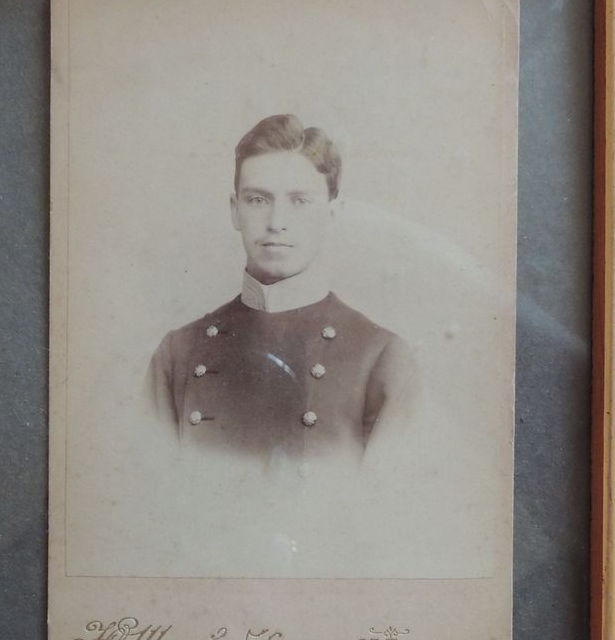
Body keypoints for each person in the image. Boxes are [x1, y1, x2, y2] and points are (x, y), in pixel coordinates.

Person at [147, 114, 418, 471]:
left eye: (299, 201)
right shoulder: (178, 353)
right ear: (235, 211)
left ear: (332, 213)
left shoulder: (381, 357)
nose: (276, 223)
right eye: (258, 200)